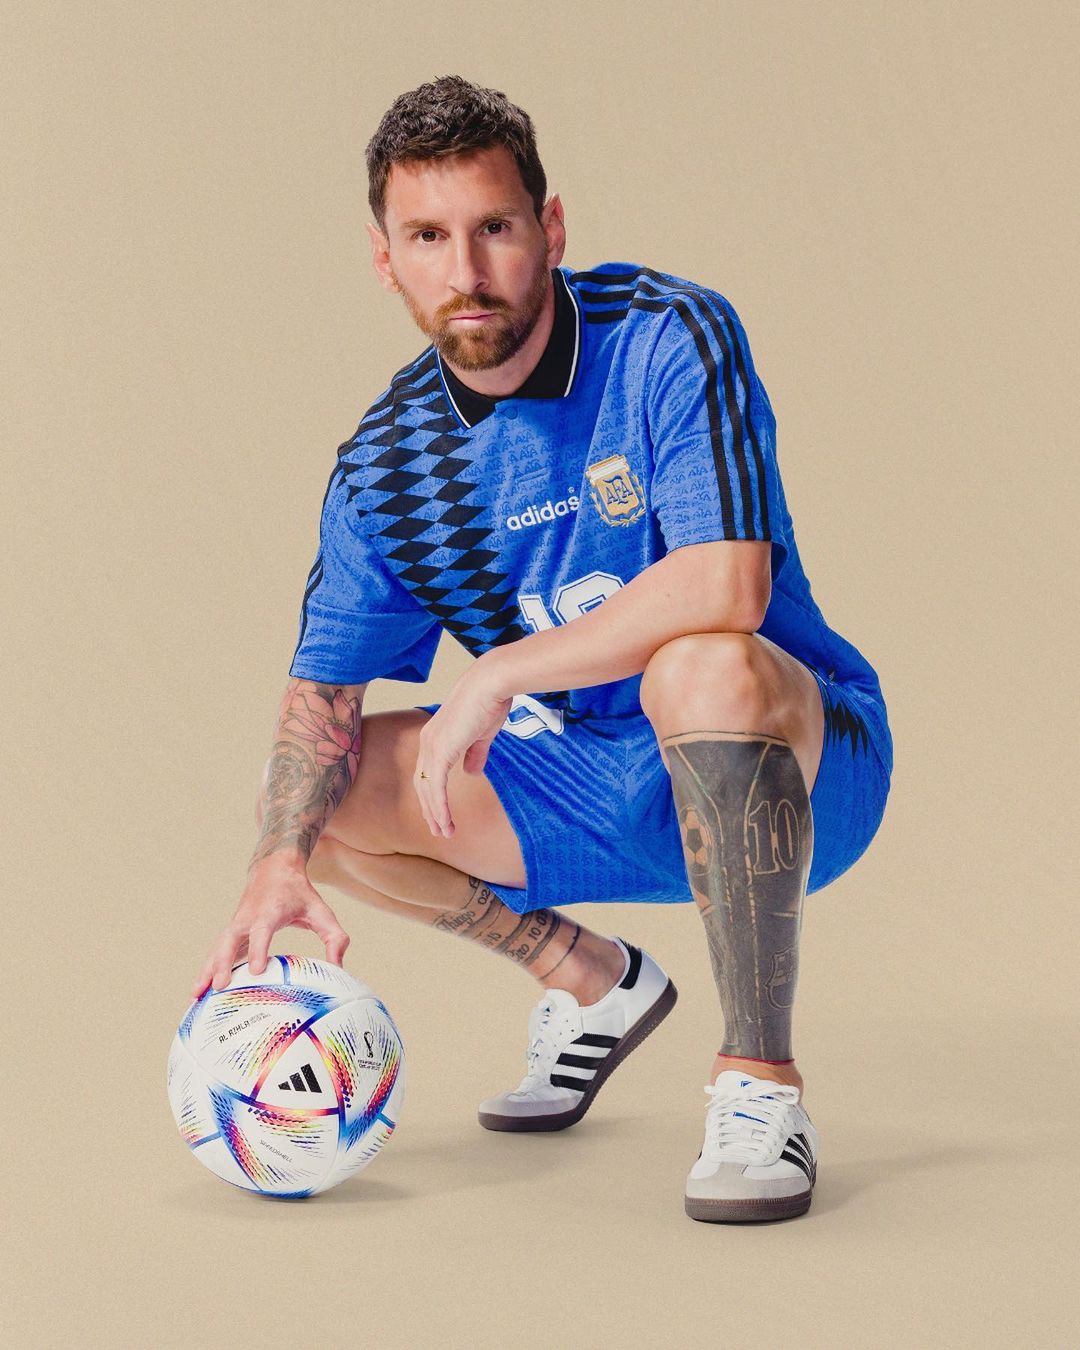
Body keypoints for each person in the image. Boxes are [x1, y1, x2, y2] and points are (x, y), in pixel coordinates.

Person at [193, 74, 893, 1223]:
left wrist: (505, 669)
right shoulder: (387, 467)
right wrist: (276, 861)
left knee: (701, 662)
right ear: (385, 259)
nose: (465, 270)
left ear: (551, 229)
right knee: (320, 797)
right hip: (580, 789)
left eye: (495, 228)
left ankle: (760, 1086)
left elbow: (729, 582)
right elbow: (319, 701)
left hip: (796, 771)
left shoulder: (666, 334)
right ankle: (590, 982)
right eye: (427, 237)